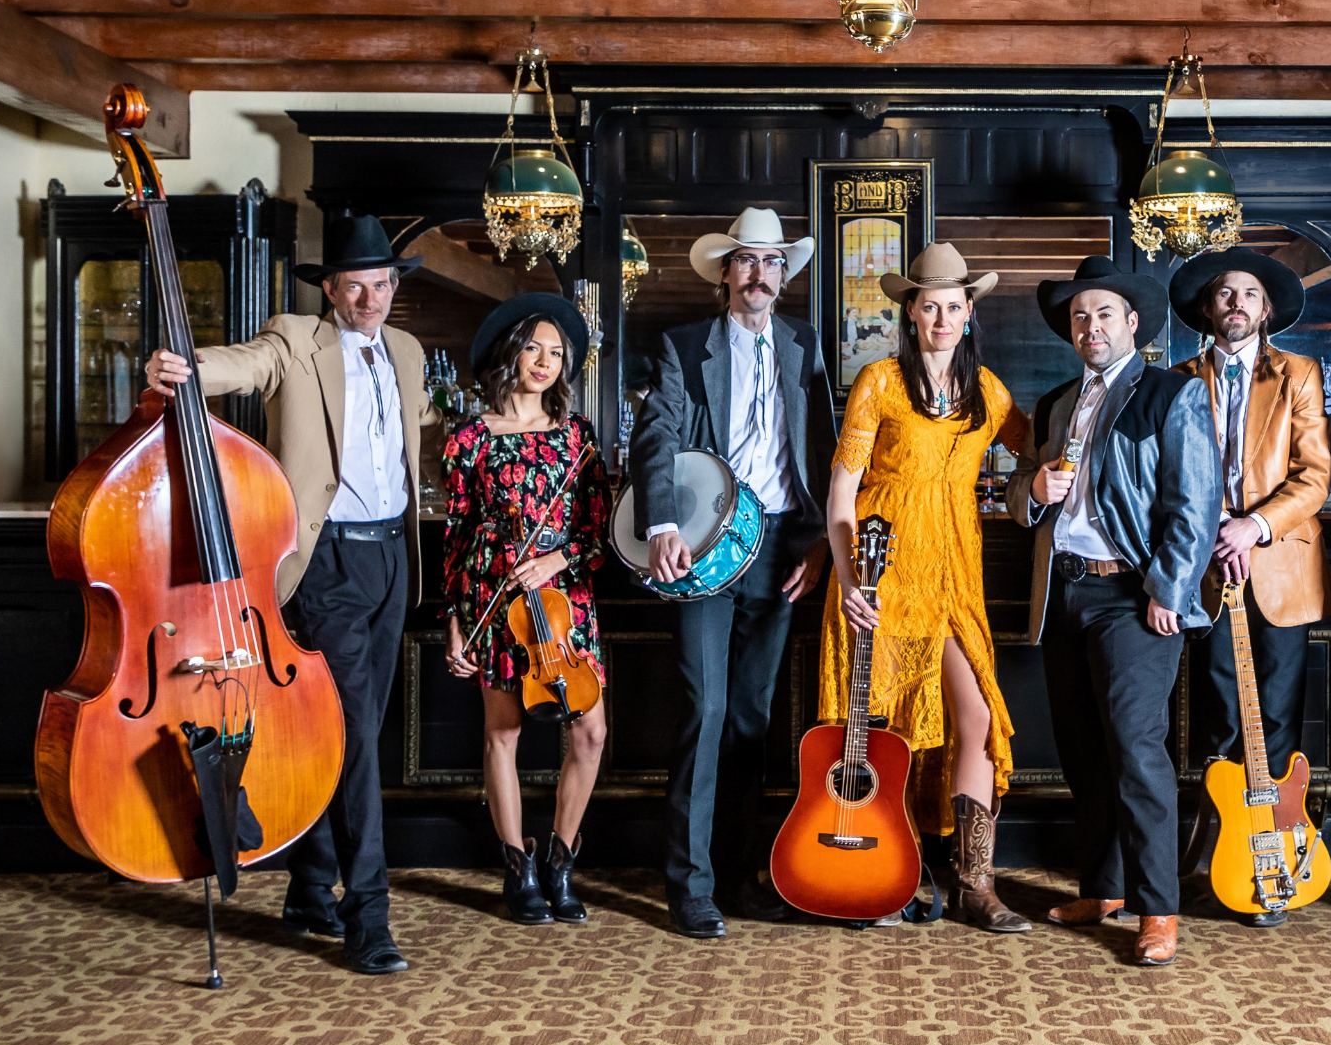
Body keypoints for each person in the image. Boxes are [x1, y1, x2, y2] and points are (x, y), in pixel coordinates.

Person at [144, 214, 437, 975]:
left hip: (393, 559)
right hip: (325, 562)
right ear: (330, 289)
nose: (370, 299)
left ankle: (309, 889)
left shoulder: (407, 352)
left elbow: (419, 425)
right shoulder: (295, 340)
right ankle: (368, 917)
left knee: (350, 733)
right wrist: (181, 366)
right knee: (359, 741)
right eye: (356, 286)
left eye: (382, 285)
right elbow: (238, 366)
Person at [627, 208, 837, 939]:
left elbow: (823, 448)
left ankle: (741, 875)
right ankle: (689, 885)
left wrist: (821, 542)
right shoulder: (686, 347)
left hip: (781, 548)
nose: (759, 274)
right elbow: (656, 434)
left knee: (752, 718)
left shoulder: (804, 345)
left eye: (772, 262)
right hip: (705, 545)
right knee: (706, 709)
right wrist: (660, 522)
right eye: (747, 260)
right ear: (726, 273)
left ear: (784, 275)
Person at [1007, 256, 1221, 966]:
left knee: (1136, 750)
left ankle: (1158, 908)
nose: (1090, 326)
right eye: (1080, 317)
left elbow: (1195, 504)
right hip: (1063, 592)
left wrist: (1170, 590)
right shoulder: (1055, 402)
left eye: (1103, 314)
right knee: (1083, 751)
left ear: (1132, 323)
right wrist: (1034, 490)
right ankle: (1102, 890)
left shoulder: (1171, 394)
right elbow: (1018, 496)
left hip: (1133, 597)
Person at [821, 244, 1031, 932]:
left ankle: (975, 884)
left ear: (970, 313)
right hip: (880, 575)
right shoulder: (880, 382)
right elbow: (842, 493)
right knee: (888, 728)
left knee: (976, 719)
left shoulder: (990, 393)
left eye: (953, 307)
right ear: (910, 312)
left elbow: (1043, 448)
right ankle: (892, 870)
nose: (942, 319)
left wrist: (1046, 481)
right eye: (929, 306)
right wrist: (850, 581)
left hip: (954, 577)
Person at [1168, 248, 1331, 928]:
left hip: (1281, 569)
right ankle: (1223, 858)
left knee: (1279, 722)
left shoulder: (1299, 374)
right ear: (1208, 310)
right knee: (1220, 721)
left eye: (1249, 294)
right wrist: (1210, 531)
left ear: (1266, 311)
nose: (1236, 303)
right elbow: (1167, 472)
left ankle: (1276, 863)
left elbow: (1315, 475)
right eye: (1225, 293)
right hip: (1206, 568)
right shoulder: (1178, 379)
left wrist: (1254, 527)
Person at [441, 293, 611, 928]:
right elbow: (457, 536)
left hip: (564, 603)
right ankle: (518, 868)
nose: (545, 361)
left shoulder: (577, 438)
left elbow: (600, 531)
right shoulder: (469, 438)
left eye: (557, 353)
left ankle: (561, 862)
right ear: (510, 353)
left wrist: (555, 559)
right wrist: (455, 620)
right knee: (503, 733)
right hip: (494, 597)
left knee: (590, 732)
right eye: (534, 348)